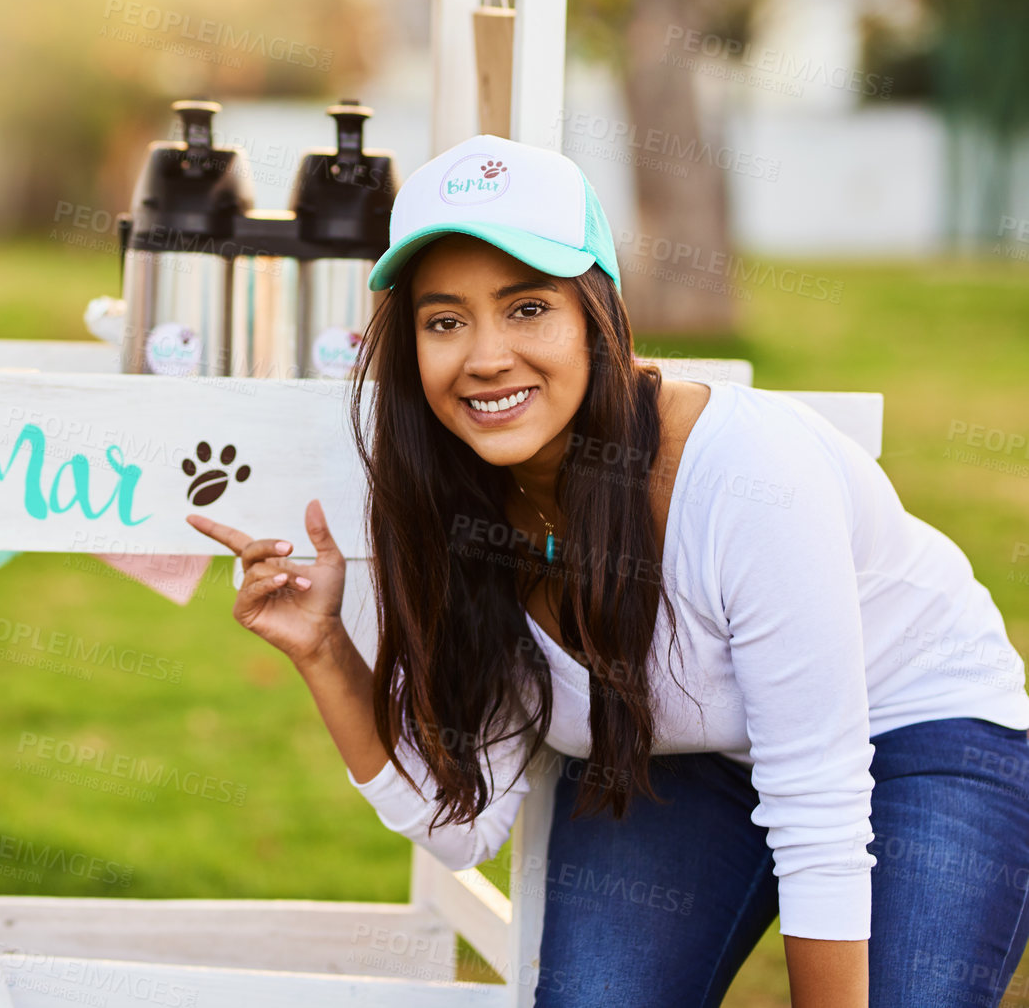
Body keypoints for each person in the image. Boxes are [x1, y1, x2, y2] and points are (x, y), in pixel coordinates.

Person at [187, 133, 1029, 1007]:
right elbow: (465, 822)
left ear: (598, 315)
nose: (484, 357)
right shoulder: (455, 504)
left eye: (527, 309)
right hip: (682, 756)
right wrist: (325, 650)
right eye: (445, 320)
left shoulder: (750, 477)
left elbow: (819, 810)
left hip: (920, 733)